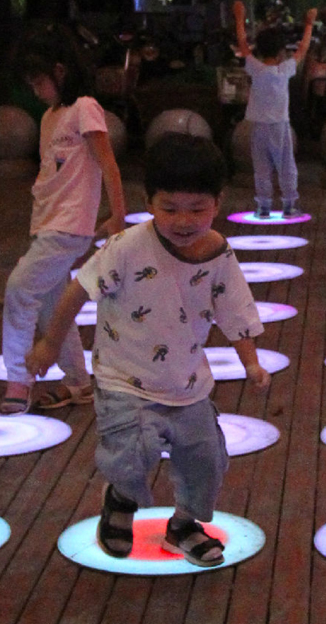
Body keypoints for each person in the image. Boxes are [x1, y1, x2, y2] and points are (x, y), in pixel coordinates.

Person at [30, 131, 268, 567]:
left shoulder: (218, 252)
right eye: (169, 208)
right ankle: (120, 500)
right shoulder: (126, 248)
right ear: (149, 201)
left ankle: (184, 525)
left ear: (218, 202)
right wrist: (49, 343)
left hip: (187, 381)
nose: (183, 220)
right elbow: (78, 290)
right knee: (132, 450)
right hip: (124, 377)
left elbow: (234, 308)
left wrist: (250, 362)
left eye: (197, 208)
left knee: (206, 459)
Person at [0, 24, 127, 417]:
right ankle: (77, 381)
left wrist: (118, 215)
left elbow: (108, 163)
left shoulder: (84, 107)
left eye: (39, 82)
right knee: (52, 304)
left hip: (67, 227)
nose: (36, 91)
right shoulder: (50, 117)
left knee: (20, 290)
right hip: (49, 224)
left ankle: (18, 379)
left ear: (60, 71)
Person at [231, 0, 316, 217]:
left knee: (261, 168)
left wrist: (239, 18)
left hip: (258, 125)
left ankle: (264, 206)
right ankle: (289, 205)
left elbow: (243, 44)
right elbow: (303, 49)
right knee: (286, 165)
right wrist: (309, 24)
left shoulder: (255, 68)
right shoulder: (284, 70)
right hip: (280, 125)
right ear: (280, 53)